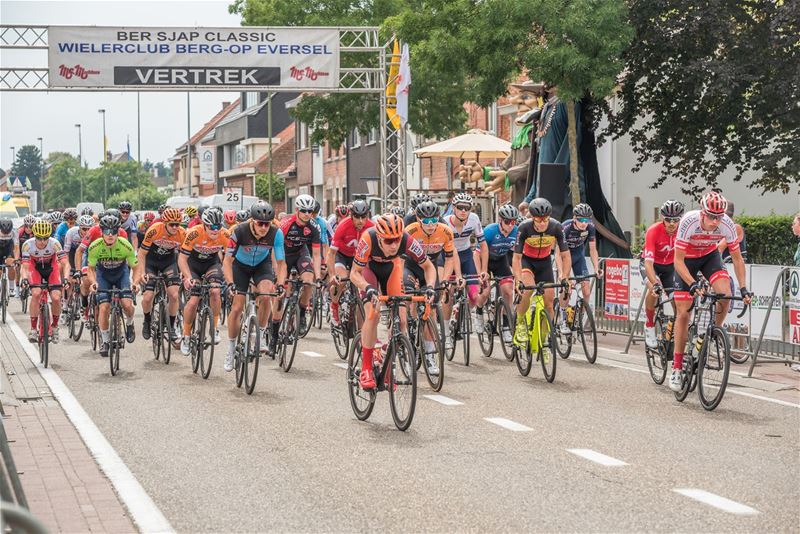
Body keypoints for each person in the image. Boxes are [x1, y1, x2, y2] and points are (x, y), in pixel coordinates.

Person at [669, 191, 751, 392]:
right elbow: (677, 261)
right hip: (686, 260)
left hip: (709, 256)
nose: (716, 221)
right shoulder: (688, 222)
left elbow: (737, 258)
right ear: (702, 213)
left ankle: (711, 334)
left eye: (719, 217)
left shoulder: (727, 225)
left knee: (725, 295)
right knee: (683, 314)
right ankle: (677, 368)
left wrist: (743, 288)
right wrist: (692, 284)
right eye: (712, 216)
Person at [351, 213, 436, 390]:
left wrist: (430, 287)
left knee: (402, 321)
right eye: (389, 241)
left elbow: (428, 266)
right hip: (369, 271)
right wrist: (367, 287)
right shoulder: (368, 238)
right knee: (373, 314)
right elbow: (354, 273)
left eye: (397, 240)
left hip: (392, 269)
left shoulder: (407, 240)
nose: (394, 245)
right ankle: (366, 368)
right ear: (379, 237)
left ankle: (387, 360)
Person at [223, 201, 286, 369]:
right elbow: (227, 261)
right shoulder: (239, 231)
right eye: (260, 223)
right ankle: (231, 348)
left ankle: (260, 335)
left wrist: (280, 284)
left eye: (267, 224)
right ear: (252, 220)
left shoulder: (276, 233)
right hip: (240, 267)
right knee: (237, 307)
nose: (264, 227)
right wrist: (230, 283)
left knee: (266, 296)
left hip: (261, 266)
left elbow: (281, 263)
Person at [404, 201, 457, 375]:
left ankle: (429, 355)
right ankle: (407, 343)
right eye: (426, 221)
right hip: (410, 267)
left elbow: (449, 258)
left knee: (431, 309)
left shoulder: (445, 231)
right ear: (419, 219)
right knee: (408, 298)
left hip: (429, 268)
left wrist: (445, 279)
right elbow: (400, 259)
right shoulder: (410, 230)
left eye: (434, 220)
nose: (431, 224)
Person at [512, 198, 571, 345]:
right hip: (527, 261)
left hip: (544, 263)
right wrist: (518, 280)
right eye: (539, 220)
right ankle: (520, 323)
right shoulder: (524, 228)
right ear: (532, 218)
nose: (543, 223)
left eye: (546, 219)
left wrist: (565, 277)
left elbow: (566, 255)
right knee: (527, 290)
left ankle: (543, 340)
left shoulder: (556, 227)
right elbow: (516, 258)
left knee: (549, 304)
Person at [178, 208, 229, 355]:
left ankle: (214, 328)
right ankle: (186, 336)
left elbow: (230, 259)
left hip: (212, 264)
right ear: (204, 225)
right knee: (194, 300)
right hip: (193, 265)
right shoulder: (194, 233)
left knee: (215, 291)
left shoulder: (225, 235)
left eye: (218, 226)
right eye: (212, 226)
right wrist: (187, 277)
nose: (215, 230)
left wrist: (229, 277)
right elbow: (182, 258)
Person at [86, 213, 138, 357]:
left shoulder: (125, 245)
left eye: (113, 231)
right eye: (107, 231)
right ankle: (105, 340)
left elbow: (136, 267)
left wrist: (135, 282)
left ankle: (129, 322)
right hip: (103, 275)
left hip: (121, 274)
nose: (110, 234)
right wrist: (93, 282)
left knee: (127, 304)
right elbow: (91, 269)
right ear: (101, 232)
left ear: (118, 232)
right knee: (104, 307)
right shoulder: (95, 246)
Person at [134, 208, 186, 342]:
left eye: (177, 224)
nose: (175, 227)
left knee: (174, 295)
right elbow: (141, 253)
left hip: (168, 262)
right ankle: (147, 320)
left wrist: (184, 272)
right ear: (165, 223)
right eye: (172, 224)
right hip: (151, 262)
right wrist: (142, 272)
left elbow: (185, 255)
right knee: (148, 297)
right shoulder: (155, 230)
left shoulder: (182, 233)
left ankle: (171, 326)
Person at [444, 192, 488, 345]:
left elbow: (483, 245)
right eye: (460, 207)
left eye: (467, 208)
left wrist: (483, 270)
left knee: (475, 296)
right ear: (453, 208)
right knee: (448, 292)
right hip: (448, 256)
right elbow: (451, 252)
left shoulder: (474, 219)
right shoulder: (445, 222)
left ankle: (462, 315)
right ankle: (445, 332)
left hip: (466, 255)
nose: (463, 211)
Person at [640, 200, 683, 348]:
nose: (672, 223)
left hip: (670, 267)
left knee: (678, 301)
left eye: (675, 220)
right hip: (652, 265)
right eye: (668, 220)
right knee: (654, 291)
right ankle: (649, 325)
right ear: (662, 218)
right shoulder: (653, 231)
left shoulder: (683, 231)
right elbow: (648, 263)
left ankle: (673, 331)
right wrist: (655, 284)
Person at [20, 219, 69, 343]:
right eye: (39, 238)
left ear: (49, 236)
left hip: (51, 268)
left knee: (56, 297)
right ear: (34, 235)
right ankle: (33, 329)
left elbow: (65, 263)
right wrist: (24, 279)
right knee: (36, 293)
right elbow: (25, 266)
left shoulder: (55, 244)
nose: (42, 241)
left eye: (45, 238)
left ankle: (55, 327)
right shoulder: (27, 245)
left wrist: (66, 278)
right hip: (34, 268)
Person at [280, 195, 323, 332]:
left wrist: (318, 277)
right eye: (304, 211)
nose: (307, 214)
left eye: (310, 211)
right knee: (281, 286)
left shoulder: (314, 227)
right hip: (284, 254)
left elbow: (316, 254)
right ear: (297, 210)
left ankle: (302, 313)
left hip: (300, 253)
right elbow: (276, 248)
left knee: (308, 281)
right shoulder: (286, 224)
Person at [327, 199, 373, 325]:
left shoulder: (371, 227)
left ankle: (362, 329)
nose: (360, 221)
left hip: (359, 258)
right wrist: (332, 275)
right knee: (341, 279)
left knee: (363, 286)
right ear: (351, 215)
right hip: (342, 255)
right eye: (357, 217)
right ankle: (334, 304)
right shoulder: (343, 226)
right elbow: (331, 254)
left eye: (363, 217)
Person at [558, 203, 602, 333]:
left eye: (587, 220)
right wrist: (561, 273)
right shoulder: (565, 227)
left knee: (586, 292)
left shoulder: (591, 227)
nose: (584, 223)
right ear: (574, 218)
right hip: (564, 256)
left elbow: (593, 249)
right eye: (581, 219)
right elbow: (557, 252)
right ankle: (563, 319)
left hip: (578, 257)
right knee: (567, 289)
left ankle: (578, 319)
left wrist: (596, 268)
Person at [481, 204, 520, 344]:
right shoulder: (490, 231)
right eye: (507, 222)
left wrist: (518, 276)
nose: (510, 225)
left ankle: (505, 326)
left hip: (501, 260)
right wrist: (482, 271)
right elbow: (479, 253)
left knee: (508, 292)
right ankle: (479, 311)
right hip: (484, 260)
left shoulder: (517, 232)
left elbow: (517, 256)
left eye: (513, 222)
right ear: (500, 220)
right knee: (484, 292)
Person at [64, 215, 95, 319]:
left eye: (89, 229)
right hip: (73, 252)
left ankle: (85, 300)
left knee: (86, 276)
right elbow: (66, 253)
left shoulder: (94, 234)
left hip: (87, 253)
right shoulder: (71, 232)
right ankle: (65, 306)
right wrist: (68, 269)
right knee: (70, 279)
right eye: (84, 229)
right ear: (79, 227)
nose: (87, 231)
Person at [0, 218, 20, 297]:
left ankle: (11, 288)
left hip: (9, 248)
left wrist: (16, 259)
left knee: (11, 265)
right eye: (4, 232)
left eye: (7, 232)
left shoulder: (15, 231)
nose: (5, 234)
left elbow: (16, 248)